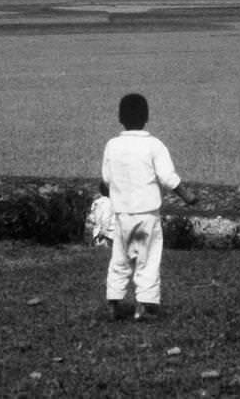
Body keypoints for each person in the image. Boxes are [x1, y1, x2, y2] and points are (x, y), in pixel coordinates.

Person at [100, 92, 196, 321]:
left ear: (120, 118)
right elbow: (168, 177)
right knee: (147, 258)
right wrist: (188, 196)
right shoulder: (154, 146)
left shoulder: (112, 145)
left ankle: (113, 302)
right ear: (147, 117)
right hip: (146, 216)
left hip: (122, 214)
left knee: (120, 258)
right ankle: (144, 305)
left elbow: (106, 179)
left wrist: (112, 191)